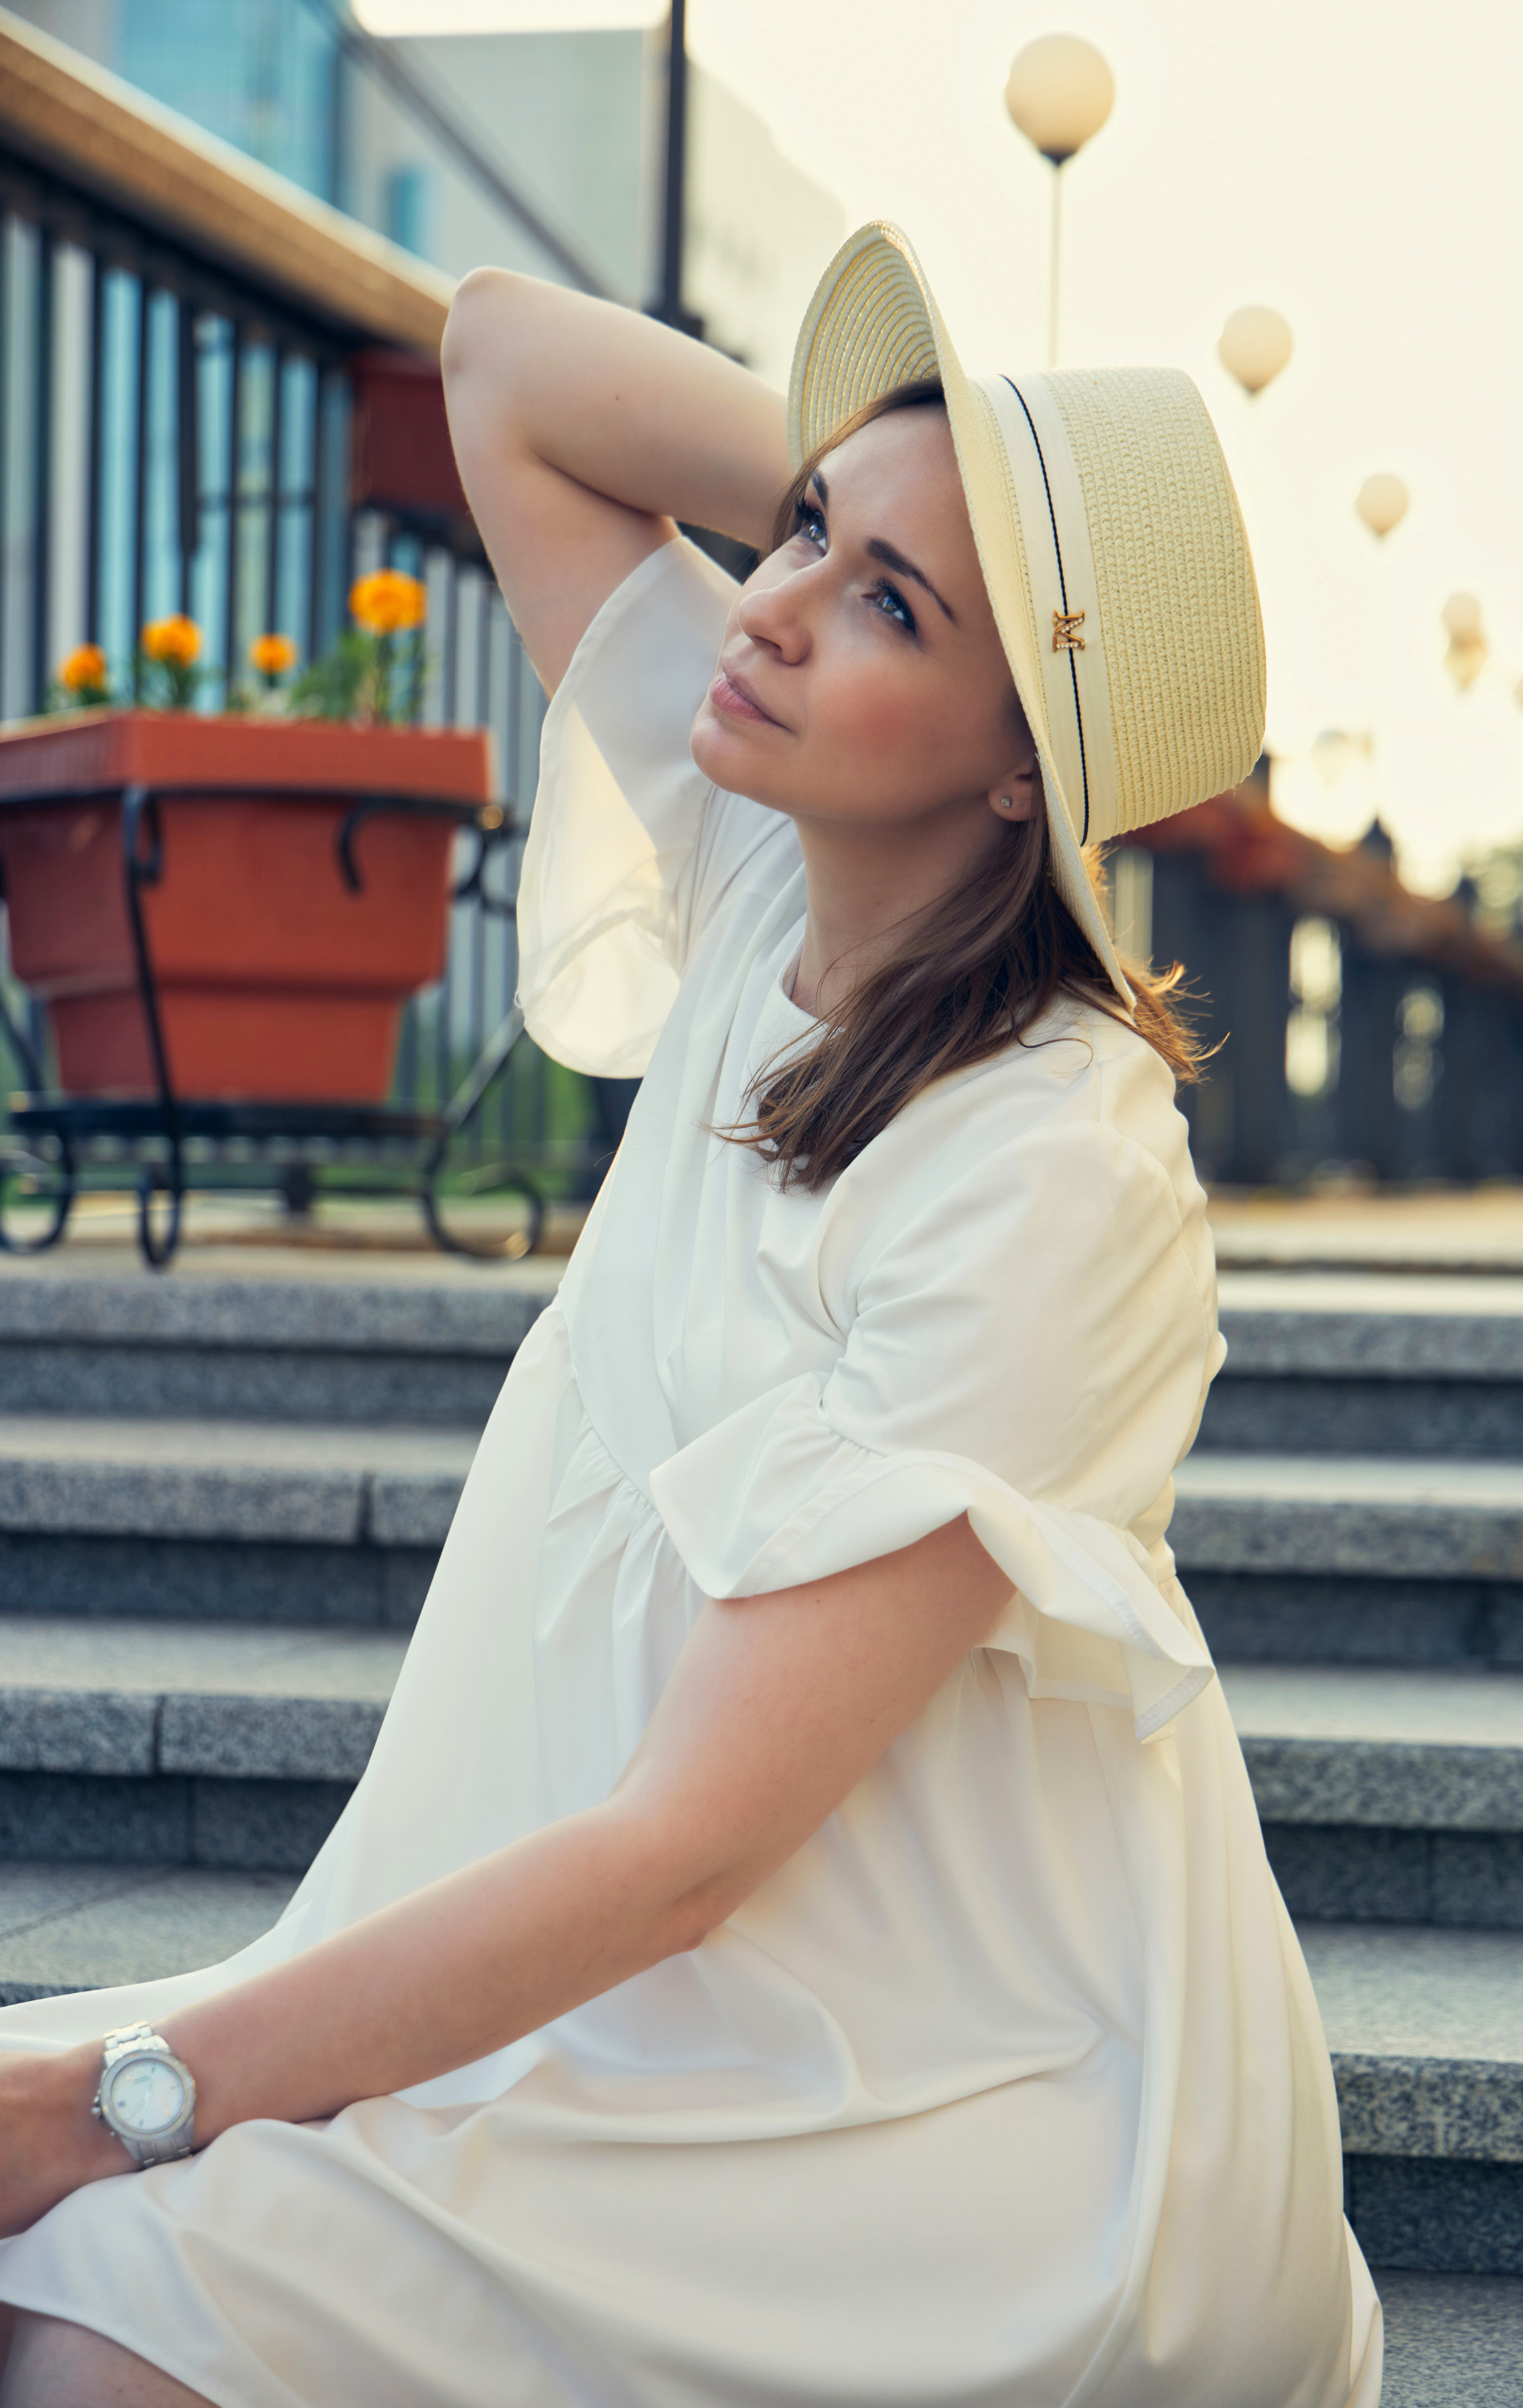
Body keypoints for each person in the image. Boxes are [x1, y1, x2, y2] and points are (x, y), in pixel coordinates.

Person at [0, 222, 1383, 2407]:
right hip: (632, 1977)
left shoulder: (1052, 1163)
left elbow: (688, 1855)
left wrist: (107, 2098)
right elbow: (504, 357)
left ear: (1024, 765)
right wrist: (963, 487)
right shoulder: (769, 873)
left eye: (894, 611)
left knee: (104, 2325)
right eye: (808, 526)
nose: (775, 605)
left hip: (927, 2087)